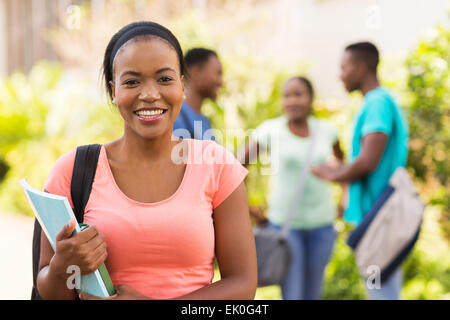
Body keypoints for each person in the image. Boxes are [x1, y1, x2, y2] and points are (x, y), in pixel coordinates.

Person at [36, 21, 257, 300]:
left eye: (164, 79)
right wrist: (60, 267)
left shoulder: (217, 165)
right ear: (114, 90)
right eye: (132, 81)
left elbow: (242, 285)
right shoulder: (72, 170)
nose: (150, 94)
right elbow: (50, 289)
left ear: (183, 86)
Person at [312, 42, 409, 300]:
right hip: (378, 216)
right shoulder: (378, 101)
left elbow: (368, 162)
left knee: (381, 294)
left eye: (344, 68)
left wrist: (331, 174)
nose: (340, 75)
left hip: (380, 217)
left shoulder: (377, 102)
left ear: (361, 67)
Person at [239, 76, 345, 300]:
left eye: (298, 94)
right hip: (285, 229)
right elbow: (237, 166)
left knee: (313, 294)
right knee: (293, 294)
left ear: (311, 99)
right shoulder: (270, 130)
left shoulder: (326, 130)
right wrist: (247, 207)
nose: (292, 101)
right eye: (287, 96)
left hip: (323, 227)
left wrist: (344, 197)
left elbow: (342, 166)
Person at [173, 48, 223, 140]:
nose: (221, 82)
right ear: (196, 72)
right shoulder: (175, 118)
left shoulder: (204, 121)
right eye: (218, 73)